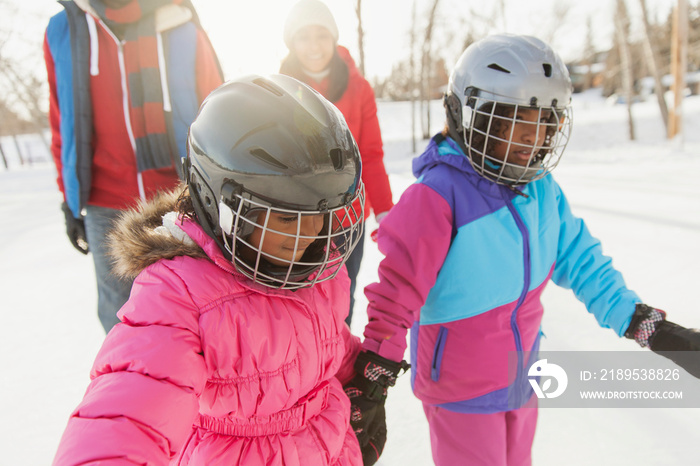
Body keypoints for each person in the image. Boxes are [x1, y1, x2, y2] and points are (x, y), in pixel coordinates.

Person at [351, 34, 700, 465]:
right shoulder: (438, 196)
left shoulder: (542, 191)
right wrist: (374, 373)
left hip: (522, 376)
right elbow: (397, 292)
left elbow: (582, 261)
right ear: (474, 117)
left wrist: (646, 325)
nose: (531, 138)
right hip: (460, 391)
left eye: (543, 122)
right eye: (514, 121)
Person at [52, 74, 380, 465]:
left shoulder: (310, 267)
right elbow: (126, 411)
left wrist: (360, 380)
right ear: (221, 205)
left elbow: (325, 342)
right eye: (289, 218)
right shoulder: (179, 298)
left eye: (323, 213)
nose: (312, 234)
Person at [43, 0, 223, 333]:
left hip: (180, 194)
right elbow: (62, 121)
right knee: (119, 316)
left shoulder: (180, 25)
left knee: (200, 306)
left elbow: (216, 107)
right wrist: (68, 199)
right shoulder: (64, 28)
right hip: (104, 199)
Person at [280, 0, 394, 326]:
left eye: (321, 35)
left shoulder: (359, 88)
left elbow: (370, 153)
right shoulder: (280, 87)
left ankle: (337, 370)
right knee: (296, 300)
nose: (314, 46)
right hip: (297, 216)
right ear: (291, 42)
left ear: (333, 38)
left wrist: (385, 210)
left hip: (347, 216)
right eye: (303, 37)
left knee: (341, 297)